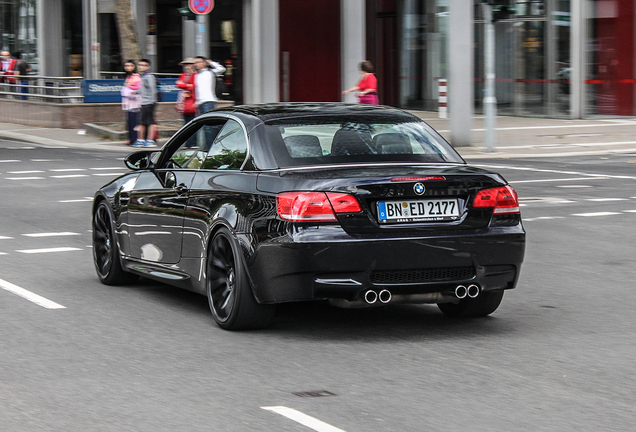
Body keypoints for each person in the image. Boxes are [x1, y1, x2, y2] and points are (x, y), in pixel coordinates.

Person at [134, 58, 158, 147]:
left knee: (149, 122)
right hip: (143, 102)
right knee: (141, 121)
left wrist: (152, 102)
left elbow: (153, 90)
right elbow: (143, 89)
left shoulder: (149, 77)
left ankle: (150, 140)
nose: (141, 67)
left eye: (144, 65)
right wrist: (137, 92)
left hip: (148, 103)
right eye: (140, 65)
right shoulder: (142, 77)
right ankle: (141, 140)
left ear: (148, 67)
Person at [121, 60, 141, 146]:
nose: (128, 68)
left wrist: (130, 90)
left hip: (134, 103)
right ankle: (131, 139)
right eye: (126, 66)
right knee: (129, 122)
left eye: (130, 66)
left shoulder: (136, 76)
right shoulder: (127, 77)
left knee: (133, 122)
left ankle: (135, 140)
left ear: (134, 67)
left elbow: (138, 88)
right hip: (128, 103)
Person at [175, 58, 197, 124]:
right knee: (186, 118)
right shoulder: (183, 74)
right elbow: (178, 85)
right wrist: (188, 85)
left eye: (188, 64)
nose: (186, 66)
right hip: (184, 99)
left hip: (193, 97)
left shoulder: (195, 75)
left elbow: (194, 86)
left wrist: (185, 85)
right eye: (185, 64)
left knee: (192, 118)